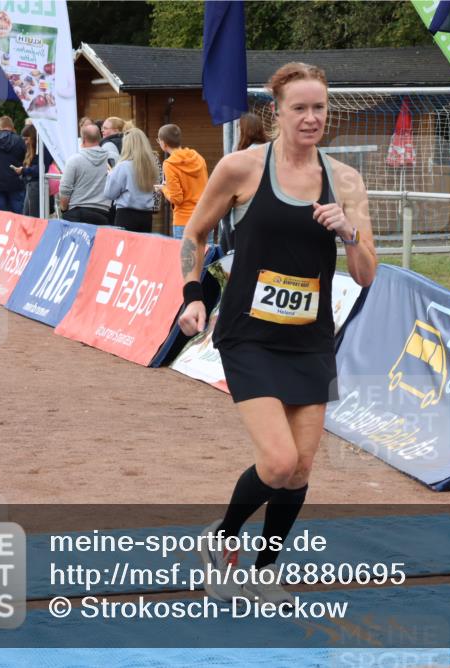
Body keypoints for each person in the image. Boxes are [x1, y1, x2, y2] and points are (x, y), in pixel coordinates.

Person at [176, 62, 376, 606]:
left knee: (302, 468)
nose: (311, 118)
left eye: (319, 108)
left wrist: (349, 232)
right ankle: (218, 541)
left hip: (309, 337)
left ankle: (265, 570)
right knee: (280, 462)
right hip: (249, 335)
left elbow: (365, 273)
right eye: (300, 108)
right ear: (277, 113)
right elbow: (193, 234)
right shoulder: (241, 168)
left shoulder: (346, 182)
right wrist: (193, 296)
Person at [103, 127, 158, 233]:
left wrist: (111, 175)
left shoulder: (123, 166)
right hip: (146, 215)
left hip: (126, 215)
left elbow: (110, 194)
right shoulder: (151, 166)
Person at [155, 124, 208, 233]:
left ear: (163, 144)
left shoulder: (169, 164)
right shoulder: (197, 157)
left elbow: (176, 199)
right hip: (205, 218)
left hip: (184, 221)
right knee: (206, 251)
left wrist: (164, 189)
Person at [59, 123, 111, 225]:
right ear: (100, 138)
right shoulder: (111, 159)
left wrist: (64, 210)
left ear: (83, 140)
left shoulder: (74, 160)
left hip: (77, 214)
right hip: (102, 213)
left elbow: (65, 188)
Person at [14, 124, 52, 217]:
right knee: (28, 215)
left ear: (33, 137)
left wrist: (24, 171)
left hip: (36, 185)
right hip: (32, 185)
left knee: (32, 217)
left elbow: (40, 169)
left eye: (27, 139)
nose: (25, 142)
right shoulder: (35, 148)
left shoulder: (42, 148)